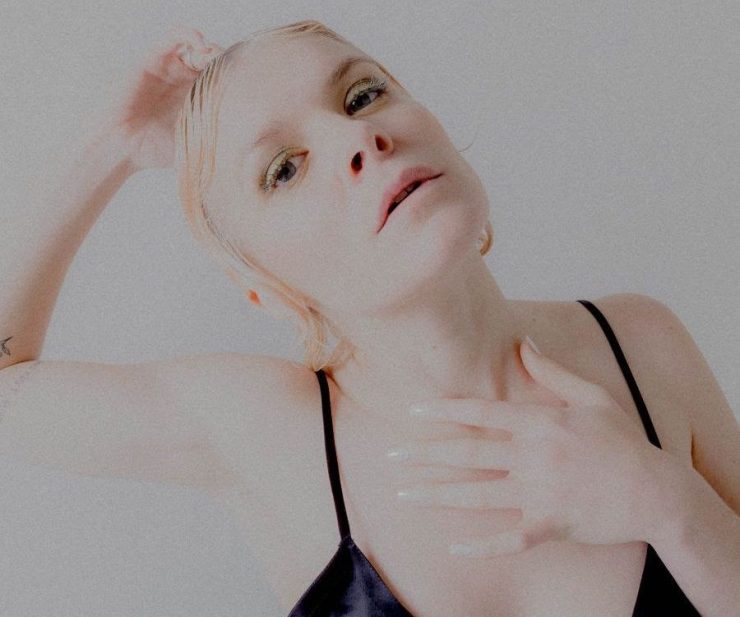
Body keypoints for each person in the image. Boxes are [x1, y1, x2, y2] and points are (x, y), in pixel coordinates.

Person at [1, 19, 737, 617]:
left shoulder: (641, 344)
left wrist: (669, 506)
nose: (359, 138)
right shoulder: (266, 432)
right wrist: (112, 143)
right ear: (265, 289)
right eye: (284, 169)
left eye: (361, 95)